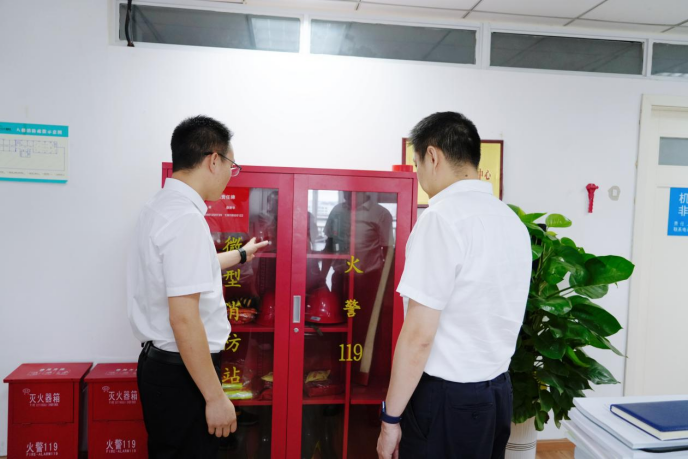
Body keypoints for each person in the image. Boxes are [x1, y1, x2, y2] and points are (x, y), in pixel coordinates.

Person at [376, 112, 532, 459]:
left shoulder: (441, 219)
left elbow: (419, 336)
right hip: (497, 394)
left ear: (432, 156)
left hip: (448, 401)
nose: (418, 175)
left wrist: (390, 420)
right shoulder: (511, 221)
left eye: (417, 164)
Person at [127, 115, 268, 458]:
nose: (230, 175)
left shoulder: (158, 208)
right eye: (232, 166)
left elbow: (186, 271)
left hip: (161, 366)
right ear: (214, 160)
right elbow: (184, 318)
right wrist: (216, 397)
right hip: (184, 372)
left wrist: (241, 254)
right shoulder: (186, 220)